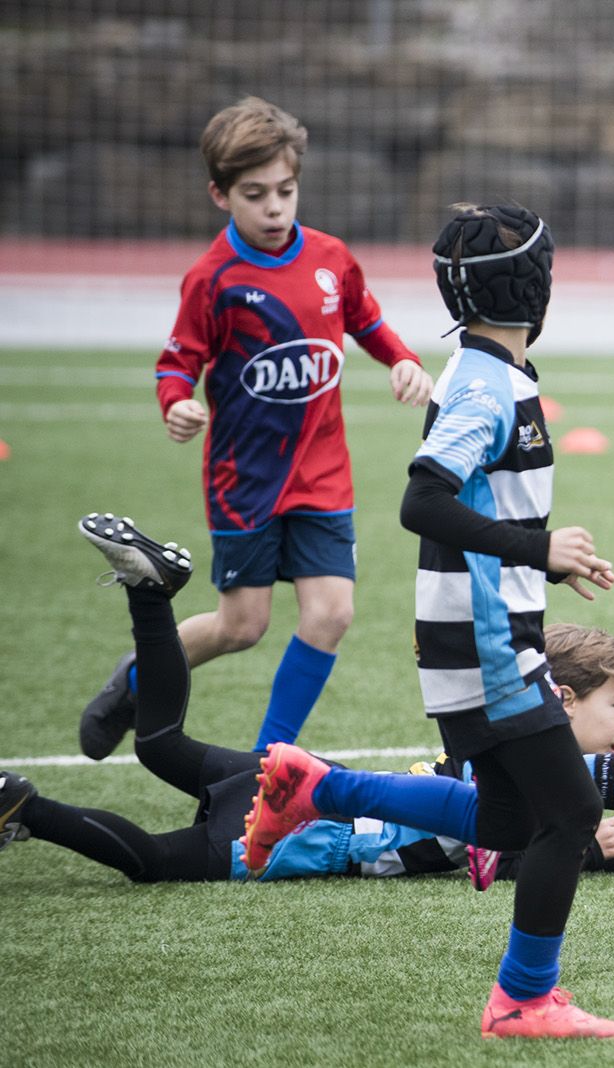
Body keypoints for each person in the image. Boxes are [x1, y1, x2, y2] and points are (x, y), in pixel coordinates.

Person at [241, 203, 614, 1039]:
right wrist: (538, 549)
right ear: (538, 284)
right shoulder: (486, 384)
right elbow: (424, 499)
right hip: (489, 651)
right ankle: (522, 1000)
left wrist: (541, 557)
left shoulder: (489, 372)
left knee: (507, 823)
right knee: (570, 817)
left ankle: (320, 787)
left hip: (477, 642)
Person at [0, 519, 614, 886]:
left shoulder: (515, 740)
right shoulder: (534, 766)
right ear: (563, 698)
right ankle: (23, 807)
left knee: (161, 742)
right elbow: (511, 862)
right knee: (154, 863)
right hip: (312, 831)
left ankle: (150, 594)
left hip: (306, 777)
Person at [78, 97, 433, 762]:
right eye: (254, 195)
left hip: (323, 475)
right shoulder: (214, 280)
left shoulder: (330, 259)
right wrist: (177, 403)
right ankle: (132, 681)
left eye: (286, 191)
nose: (274, 208)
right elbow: (176, 363)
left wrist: (404, 360)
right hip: (246, 480)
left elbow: (365, 320)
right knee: (243, 626)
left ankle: (271, 767)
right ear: (220, 195)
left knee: (332, 614)